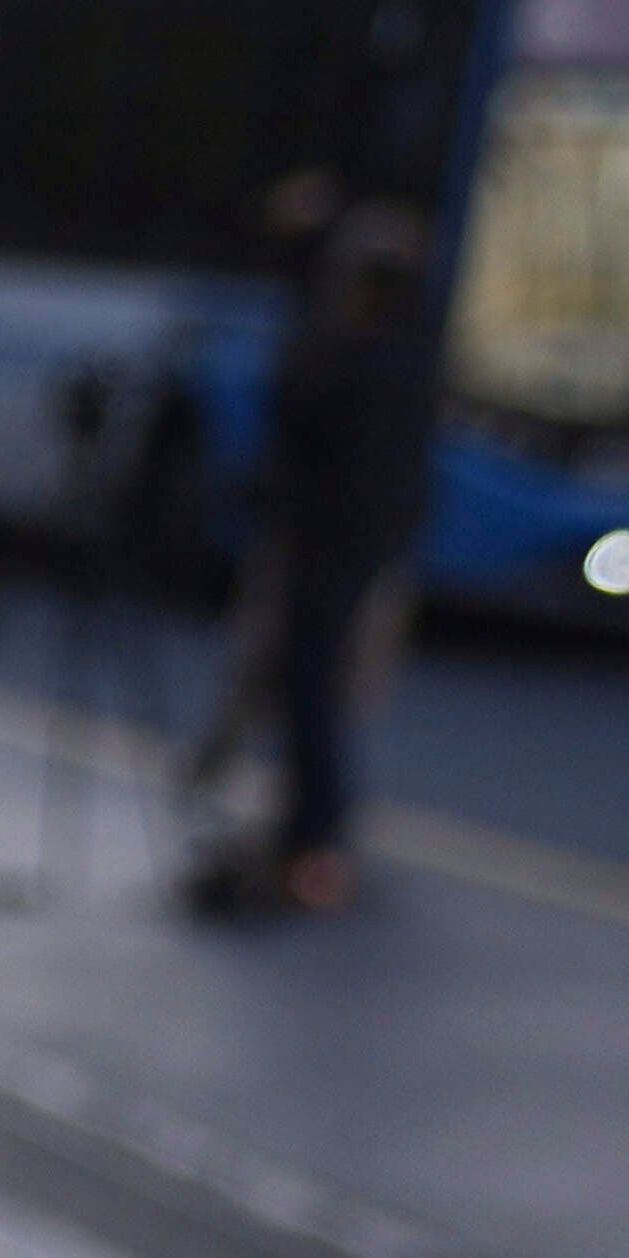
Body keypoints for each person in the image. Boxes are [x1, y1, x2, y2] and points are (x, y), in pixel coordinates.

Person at [226, 195, 447, 916]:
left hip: (329, 545)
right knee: (317, 686)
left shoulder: (349, 353)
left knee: (312, 686)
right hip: (366, 544)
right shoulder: (406, 353)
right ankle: (306, 832)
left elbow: (302, 409)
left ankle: (311, 838)